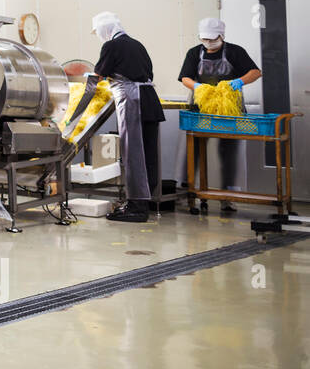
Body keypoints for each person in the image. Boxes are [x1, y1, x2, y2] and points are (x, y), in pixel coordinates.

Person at [178, 17, 261, 213]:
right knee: (194, 149)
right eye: (204, 39)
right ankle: (188, 191)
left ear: (221, 36)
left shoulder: (235, 51)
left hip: (229, 110)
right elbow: (185, 77)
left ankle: (227, 196)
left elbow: (255, 72)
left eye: (212, 39)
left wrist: (239, 82)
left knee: (228, 151)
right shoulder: (194, 53)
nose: (208, 42)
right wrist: (198, 86)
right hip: (201, 108)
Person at [90, 12, 165, 223]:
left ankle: (137, 208)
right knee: (148, 154)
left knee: (134, 155)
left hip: (134, 103)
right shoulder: (137, 44)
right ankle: (144, 200)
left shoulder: (111, 46)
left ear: (104, 29)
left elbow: (99, 74)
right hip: (150, 101)